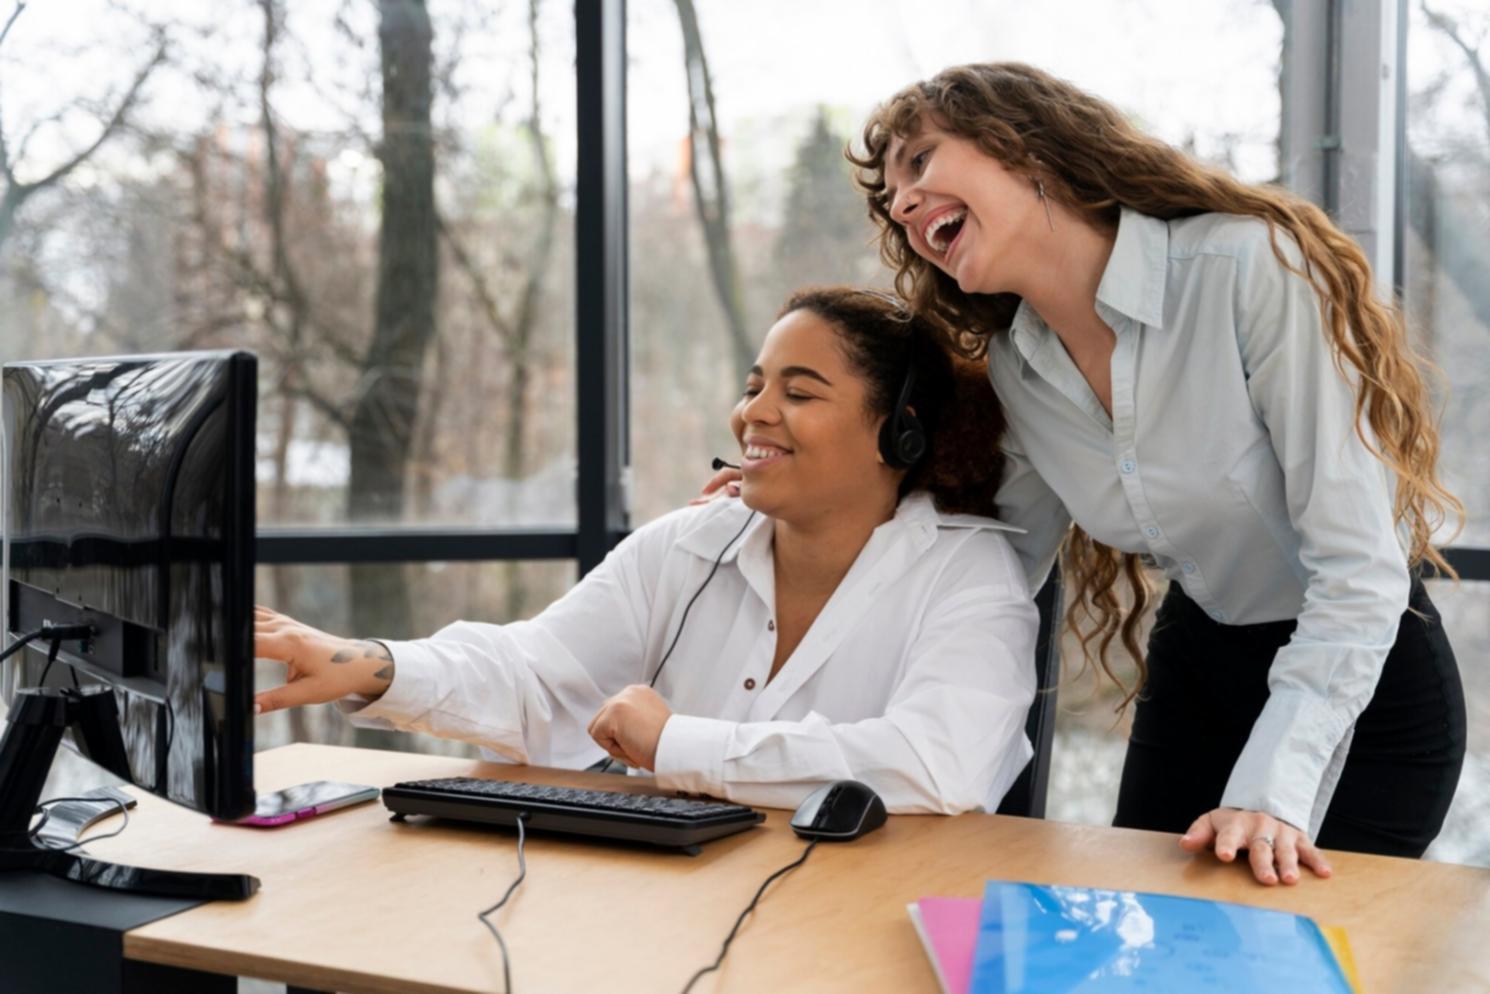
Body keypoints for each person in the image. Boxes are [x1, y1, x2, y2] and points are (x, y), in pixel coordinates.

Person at [842, 61, 1466, 882]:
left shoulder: (1247, 268)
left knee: (1277, 939)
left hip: (1362, 679)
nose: (903, 205)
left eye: (921, 161)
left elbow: (1359, 567)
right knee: (1143, 919)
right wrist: (784, 521)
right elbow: (992, 561)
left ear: (1027, 145)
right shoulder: (1016, 366)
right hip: (1199, 664)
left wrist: (1272, 792)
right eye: (892, 198)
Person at [253, 286, 1039, 814]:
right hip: (673, 909)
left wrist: (675, 744)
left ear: (898, 433)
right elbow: (535, 674)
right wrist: (376, 664)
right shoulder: (687, 545)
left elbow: (940, 762)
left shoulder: (968, 573)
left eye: (798, 393)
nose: (753, 414)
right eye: (754, 387)